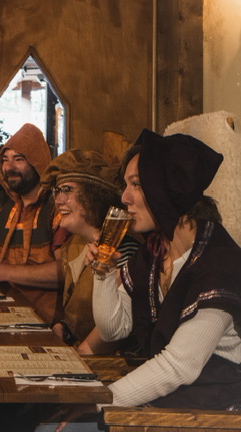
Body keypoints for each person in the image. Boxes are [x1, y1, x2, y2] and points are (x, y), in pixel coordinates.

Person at [39, 129, 241, 432]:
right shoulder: (155, 253)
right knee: (45, 419)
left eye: (136, 184)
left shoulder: (218, 264)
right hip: (169, 400)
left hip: (212, 412)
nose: (124, 197)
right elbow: (113, 328)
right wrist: (104, 272)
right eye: (126, 184)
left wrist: (100, 400)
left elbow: (179, 366)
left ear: (166, 189)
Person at [39, 149, 139, 355]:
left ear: (94, 195)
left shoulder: (124, 249)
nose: (58, 201)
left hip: (108, 366)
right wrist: (62, 330)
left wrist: (76, 359)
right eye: (57, 191)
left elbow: (115, 331)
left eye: (67, 190)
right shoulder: (75, 244)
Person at [0, 123, 69, 323]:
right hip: (6, 317)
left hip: (49, 323)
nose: (9, 167)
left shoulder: (60, 212)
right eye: (5, 160)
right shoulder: (4, 215)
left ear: (38, 164)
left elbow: (67, 273)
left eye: (19, 159)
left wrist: (4, 271)